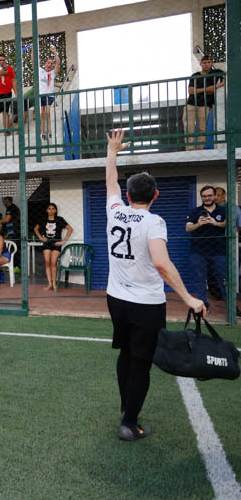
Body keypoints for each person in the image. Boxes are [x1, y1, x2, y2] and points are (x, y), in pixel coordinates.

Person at [104, 129, 204, 441]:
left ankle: (126, 409)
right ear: (156, 196)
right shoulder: (154, 222)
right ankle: (129, 423)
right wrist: (188, 297)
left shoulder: (114, 211)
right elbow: (162, 263)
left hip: (116, 300)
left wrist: (112, 152)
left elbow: (110, 182)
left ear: (128, 195)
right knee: (140, 363)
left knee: (125, 354)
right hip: (146, 305)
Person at [185, 185, 227, 311]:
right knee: (200, 279)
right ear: (201, 197)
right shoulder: (195, 211)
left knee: (224, 278)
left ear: (214, 196)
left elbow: (228, 224)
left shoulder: (223, 210)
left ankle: (230, 306)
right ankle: (203, 306)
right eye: (204, 196)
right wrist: (198, 224)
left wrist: (216, 223)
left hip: (219, 251)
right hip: (198, 251)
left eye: (209, 195)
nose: (207, 198)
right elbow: (188, 228)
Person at [183, 55, 225, 148]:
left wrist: (214, 87)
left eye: (209, 62)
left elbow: (226, 80)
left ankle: (200, 149)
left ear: (212, 63)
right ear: (201, 64)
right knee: (188, 127)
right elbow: (191, 91)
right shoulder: (195, 76)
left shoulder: (216, 73)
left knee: (203, 128)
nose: (206, 64)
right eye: (204, 63)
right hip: (191, 104)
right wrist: (207, 89)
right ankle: (190, 149)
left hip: (205, 105)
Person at [33, 203, 73, 291]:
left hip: (56, 244)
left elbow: (70, 229)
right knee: (47, 262)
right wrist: (40, 237)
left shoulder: (59, 219)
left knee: (53, 263)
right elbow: (35, 229)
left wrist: (63, 241)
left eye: (53, 209)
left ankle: (54, 284)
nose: (51, 210)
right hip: (47, 243)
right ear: (46, 210)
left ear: (55, 210)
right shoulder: (43, 219)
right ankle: (49, 284)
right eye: (49, 209)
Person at [31, 45, 60, 140]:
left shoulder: (52, 73)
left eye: (51, 63)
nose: (50, 64)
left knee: (49, 113)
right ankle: (43, 132)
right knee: (42, 114)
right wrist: (33, 49)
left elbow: (58, 63)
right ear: (45, 64)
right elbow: (33, 61)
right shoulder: (40, 71)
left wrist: (55, 52)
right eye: (48, 62)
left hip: (50, 96)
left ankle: (51, 131)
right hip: (40, 95)